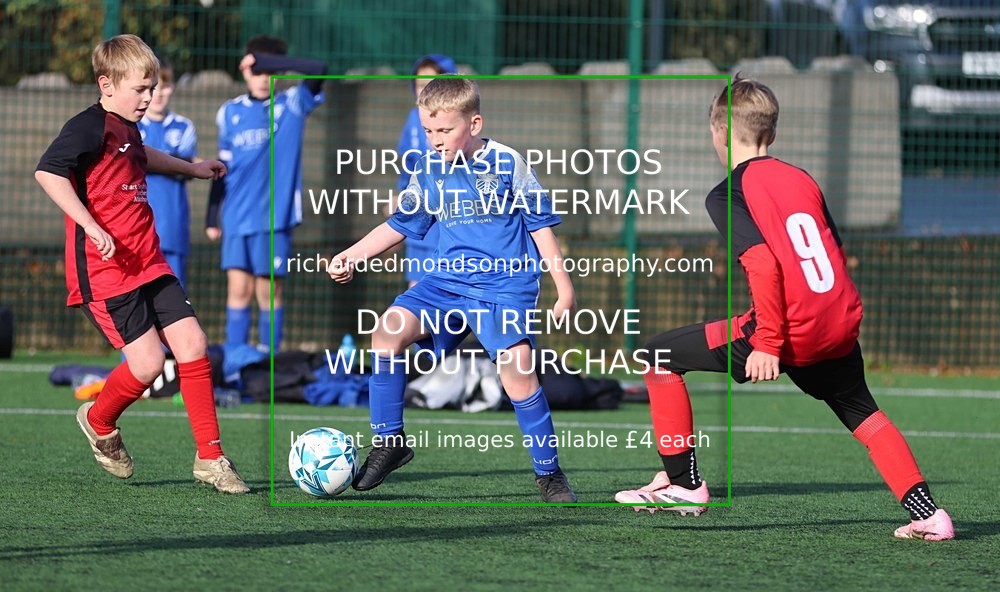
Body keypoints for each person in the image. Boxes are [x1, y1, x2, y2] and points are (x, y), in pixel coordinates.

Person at [615, 75, 954, 541]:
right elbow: (835, 249)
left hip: (787, 329)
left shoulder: (727, 192)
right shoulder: (802, 178)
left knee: (657, 355)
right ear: (770, 135)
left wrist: (769, 343)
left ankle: (683, 484)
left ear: (716, 130)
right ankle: (929, 515)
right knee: (864, 414)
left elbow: (763, 264)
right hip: (839, 321)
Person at [328, 77, 578, 502]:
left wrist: (564, 287)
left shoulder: (506, 162)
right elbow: (400, 225)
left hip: (504, 285)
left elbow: (539, 225)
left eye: (444, 130)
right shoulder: (426, 170)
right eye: (428, 131)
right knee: (386, 333)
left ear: (474, 123)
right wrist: (351, 256)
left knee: (517, 375)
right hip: (445, 282)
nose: (435, 140)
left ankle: (549, 474)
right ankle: (389, 442)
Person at [34, 34, 249, 494]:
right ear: (106, 84)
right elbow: (47, 171)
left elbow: (140, 156)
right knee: (148, 363)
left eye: (153, 89)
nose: (149, 97)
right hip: (106, 270)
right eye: (141, 89)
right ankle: (98, 419)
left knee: (192, 342)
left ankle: (211, 458)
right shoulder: (88, 126)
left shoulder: (129, 127)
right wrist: (91, 226)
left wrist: (190, 168)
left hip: (147, 259)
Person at [205, 35, 326, 352]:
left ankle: (267, 364)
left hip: (273, 219)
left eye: (270, 72)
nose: (263, 79)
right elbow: (222, 167)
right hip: (235, 218)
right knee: (238, 291)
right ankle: (235, 363)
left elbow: (319, 68)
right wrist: (212, 215)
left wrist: (272, 64)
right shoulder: (229, 112)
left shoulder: (293, 104)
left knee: (268, 292)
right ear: (245, 71)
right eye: (257, 71)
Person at [394, 54, 457, 287]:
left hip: (448, 226)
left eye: (432, 84)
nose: (424, 90)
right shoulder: (414, 118)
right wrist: (401, 195)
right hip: (418, 221)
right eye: (420, 84)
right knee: (415, 295)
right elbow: (409, 165)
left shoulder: (458, 123)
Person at [139, 55, 196, 288]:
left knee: (175, 304)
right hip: (139, 228)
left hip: (173, 226)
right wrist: (176, 162)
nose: (160, 94)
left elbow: (187, 170)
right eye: (155, 88)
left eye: (166, 86)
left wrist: (146, 160)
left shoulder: (183, 126)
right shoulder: (132, 126)